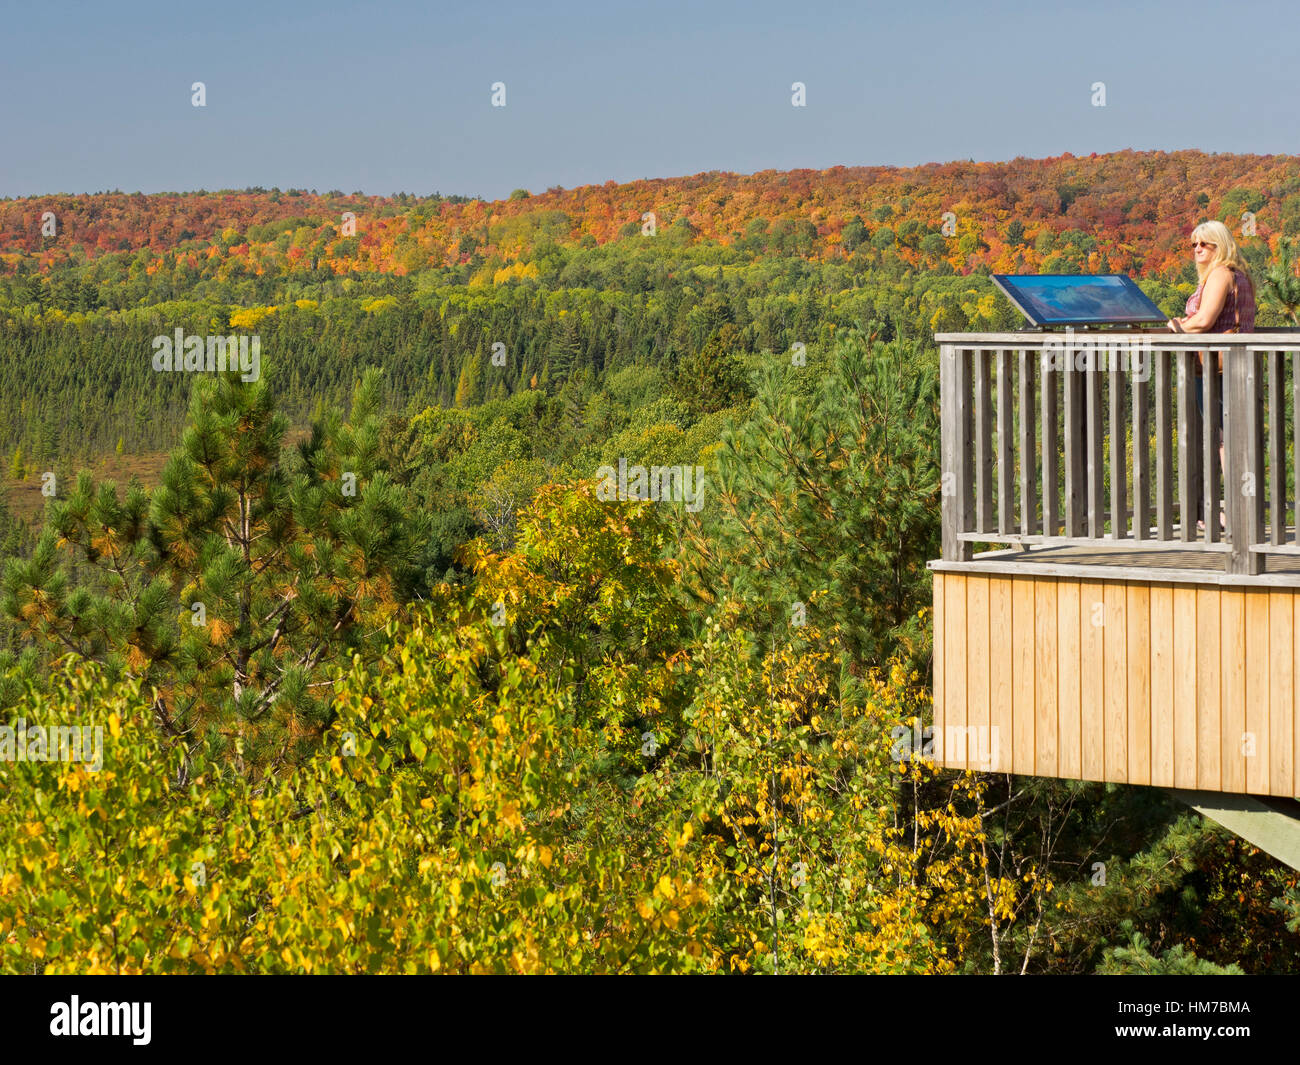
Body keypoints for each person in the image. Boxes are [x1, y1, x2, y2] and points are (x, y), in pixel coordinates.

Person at [1166, 219, 1256, 530]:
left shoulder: (1220, 273)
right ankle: (1236, 511)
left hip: (1216, 368)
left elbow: (1204, 321)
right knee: (1232, 439)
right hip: (1237, 366)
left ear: (1221, 246)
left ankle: (1232, 514)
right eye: (1194, 244)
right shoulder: (1239, 275)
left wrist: (1175, 326)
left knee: (1222, 441)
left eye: (1206, 244)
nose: (1197, 249)